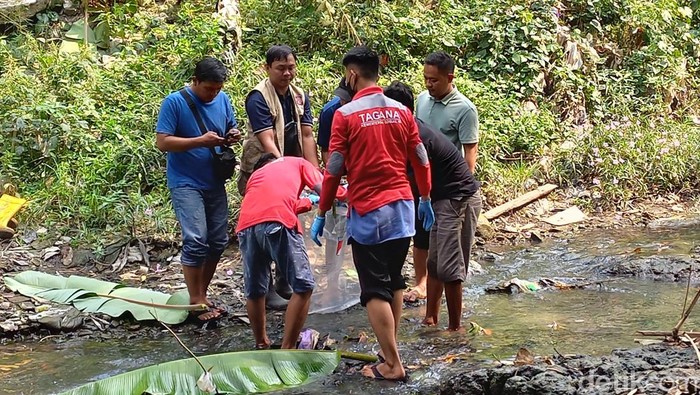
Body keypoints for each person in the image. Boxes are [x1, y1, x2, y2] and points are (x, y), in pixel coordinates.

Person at [311, 46, 434, 382]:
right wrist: (424, 197)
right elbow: (421, 159)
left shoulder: (346, 114)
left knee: (373, 289)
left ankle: (393, 365)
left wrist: (323, 210)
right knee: (393, 282)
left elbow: (334, 168)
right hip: (404, 208)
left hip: (369, 210)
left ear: (351, 74)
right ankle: (388, 350)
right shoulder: (401, 111)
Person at [384, 81, 482, 331]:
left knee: (450, 266)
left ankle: (455, 328)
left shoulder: (416, 135)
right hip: (439, 199)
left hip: (456, 199)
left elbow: (417, 173)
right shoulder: (405, 130)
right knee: (435, 263)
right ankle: (431, 317)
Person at [155, 57, 241, 322]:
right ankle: (196, 301)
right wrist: (200, 142)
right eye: (208, 89)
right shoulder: (175, 102)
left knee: (217, 240)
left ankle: (202, 294)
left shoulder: (223, 99)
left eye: (217, 89)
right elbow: (163, 142)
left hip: (214, 180)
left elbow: (230, 124)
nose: (213, 93)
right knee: (195, 239)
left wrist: (232, 133)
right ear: (195, 81)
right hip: (185, 181)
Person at [237, 154, 346, 349]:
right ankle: (287, 348)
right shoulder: (297, 162)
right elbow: (326, 187)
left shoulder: (256, 177)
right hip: (279, 221)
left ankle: (261, 343)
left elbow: (272, 204)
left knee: (255, 291)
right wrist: (347, 193)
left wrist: (307, 202)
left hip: (246, 227)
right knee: (303, 287)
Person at [239, 44, 319, 309]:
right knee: (269, 225)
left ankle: (285, 280)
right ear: (267, 68)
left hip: (291, 171)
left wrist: (313, 173)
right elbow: (267, 139)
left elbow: (306, 135)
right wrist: (283, 166)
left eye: (291, 67)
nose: (287, 73)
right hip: (262, 169)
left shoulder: (299, 96)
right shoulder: (258, 97)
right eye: (280, 68)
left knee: (292, 223)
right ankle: (266, 287)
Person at [405, 51, 482, 303]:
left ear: (450, 78)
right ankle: (422, 283)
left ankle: (451, 299)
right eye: (426, 78)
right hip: (423, 181)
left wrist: (460, 193)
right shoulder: (422, 100)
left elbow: (470, 151)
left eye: (434, 80)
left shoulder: (465, 109)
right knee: (421, 234)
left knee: (449, 243)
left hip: (449, 185)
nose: (429, 85)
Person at [317, 78, 353, 165]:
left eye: (348, 100)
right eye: (342, 98)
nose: (343, 102)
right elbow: (326, 149)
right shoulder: (329, 112)